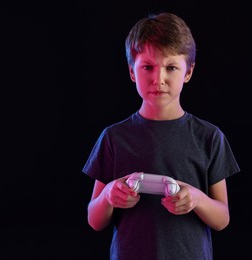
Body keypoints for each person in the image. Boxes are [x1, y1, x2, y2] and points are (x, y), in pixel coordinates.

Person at [82, 12, 240, 260]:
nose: (159, 79)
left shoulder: (209, 137)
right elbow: (94, 219)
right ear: (132, 72)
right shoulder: (114, 137)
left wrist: (197, 199)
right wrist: (110, 194)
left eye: (171, 67)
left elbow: (222, 219)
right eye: (147, 67)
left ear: (188, 72)